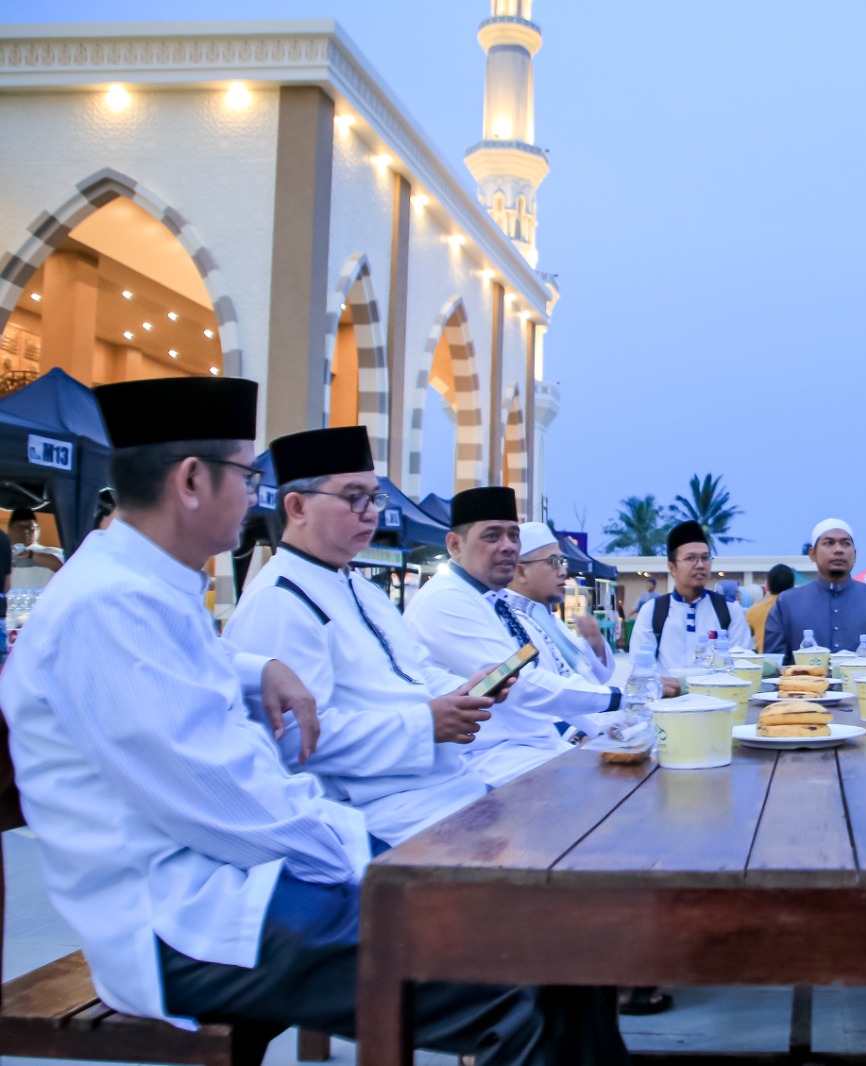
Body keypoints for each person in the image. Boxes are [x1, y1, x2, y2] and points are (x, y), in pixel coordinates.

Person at [0, 376, 626, 1062]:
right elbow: (230, 803)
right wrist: (369, 860)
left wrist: (253, 668)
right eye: (245, 474)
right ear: (190, 481)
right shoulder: (112, 606)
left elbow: (205, 702)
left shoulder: (147, 590)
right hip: (187, 917)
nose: (254, 494)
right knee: (524, 975)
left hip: (250, 874)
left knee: (564, 937)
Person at [224, 426, 492, 847]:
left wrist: (467, 690)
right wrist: (424, 724)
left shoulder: (361, 587)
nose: (371, 512)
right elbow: (299, 742)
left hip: (447, 784)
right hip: (384, 813)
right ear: (297, 506)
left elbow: (412, 672)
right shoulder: (277, 600)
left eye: (374, 497)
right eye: (354, 497)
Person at [403, 487, 579, 787]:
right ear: (454, 545)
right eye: (492, 536)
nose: (508, 546)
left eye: (513, 536)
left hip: (530, 748)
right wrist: (617, 700)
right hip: (483, 759)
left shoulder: (495, 601)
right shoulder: (445, 599)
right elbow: (522, 685)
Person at [765, 518, 866, 660]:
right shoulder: (787, 603)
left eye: (845, 544)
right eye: (829, 543)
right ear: (812, 554)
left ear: (855, 555)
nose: (838, 550)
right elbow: (773, 665)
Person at [507, 521, 624, 692]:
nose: (563, 572)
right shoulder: (512, 622)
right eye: (553, 561)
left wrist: (595, 643)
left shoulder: (548, 618)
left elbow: (593, 677)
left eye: (561, 561)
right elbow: (543, 692)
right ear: (521, 572)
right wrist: (623, 696)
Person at [628, 520, 751, 674]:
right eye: (691, 558)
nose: (700, 565)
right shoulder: (652, 612)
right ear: (672, 567)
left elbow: (743, 667)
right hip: (667, 697)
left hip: (716, 696)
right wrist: (660, 684)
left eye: (705, 558)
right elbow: (638, 669)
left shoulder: (729, 611)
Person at [8, 505, 63, 590]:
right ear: (10, 529)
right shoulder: (5, 554)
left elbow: (63, 566)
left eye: (32, 527)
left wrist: (30, 555)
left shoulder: (51, 552)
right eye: (21, 527)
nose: (27, 531)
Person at [745, 563, 795, 654]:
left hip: (766, 664)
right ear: (792, 586)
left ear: (767, 586)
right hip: (797, 664)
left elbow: (745, 638)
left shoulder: (754, 611)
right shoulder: (800, 609)